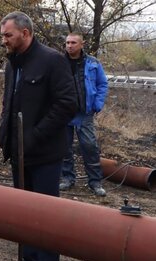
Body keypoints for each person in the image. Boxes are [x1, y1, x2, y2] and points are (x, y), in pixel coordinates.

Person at [0, 12, 76, 261]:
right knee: (23, 214)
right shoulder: (12, 63)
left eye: (8, 35)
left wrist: (34, 136)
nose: (3, 40)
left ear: (26, 33)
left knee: (44, 216)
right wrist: (6, 137)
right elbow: (9, 102)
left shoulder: (52, 61)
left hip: (44, 155)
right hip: (18, 154)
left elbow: (68, 104)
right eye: (3, 35)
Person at [59, 32, 109, 197]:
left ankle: (95, 182)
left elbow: (102, 84)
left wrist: (98, 104)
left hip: (84, 113)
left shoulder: (93, 63)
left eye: (73, 42)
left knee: (89, 147)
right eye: (67, 43)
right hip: (63, 113)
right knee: (64, 147)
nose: (69, 46)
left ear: (82, 44)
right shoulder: (58, 62)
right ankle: (67, 178)